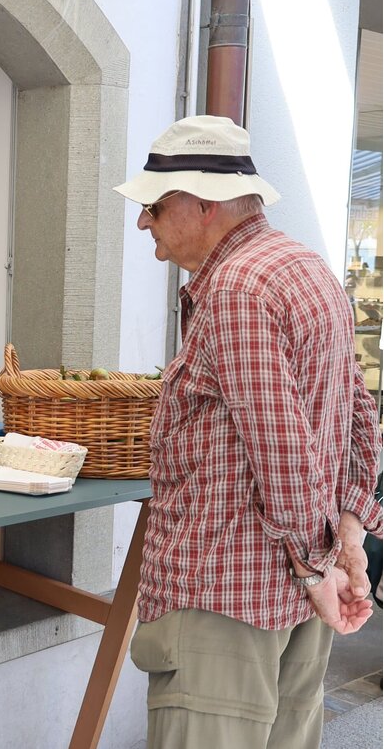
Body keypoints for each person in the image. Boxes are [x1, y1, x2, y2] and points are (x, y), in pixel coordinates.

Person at [114, 115, 382, 749]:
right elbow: (357, 410)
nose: (142, 221)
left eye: (154, 205)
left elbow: (280, 450)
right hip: (288, 599)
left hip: (225, 602)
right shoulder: (305, 265)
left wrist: (322, 572)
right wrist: (346, 532)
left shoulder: (236, 287)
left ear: (202, 205)